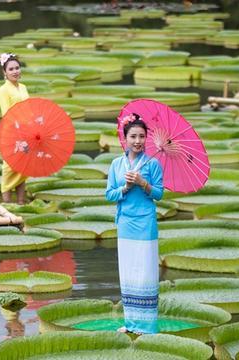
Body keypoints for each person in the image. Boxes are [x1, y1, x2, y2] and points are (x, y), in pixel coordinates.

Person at [105, 113, 164, 335]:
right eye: (133, 136)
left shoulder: (153, 164)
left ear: (146, 139)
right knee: (128, 272)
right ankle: (130, 323)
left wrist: (143, 183)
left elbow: (159, 194)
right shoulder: (116, 164)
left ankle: (147, 326)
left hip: (146, 223)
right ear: (125, 138)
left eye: (141, 136)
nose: (138, 141)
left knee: (146, 272)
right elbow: (109, 194)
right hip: (126, 223)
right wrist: (125, 188)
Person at [0, 52, 29, 204]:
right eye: (11, 69)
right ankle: (7, 204)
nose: (15, 71)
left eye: (17, 68)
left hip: (26, 131)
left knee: (23, 168)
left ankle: (21, 201)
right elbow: (7, 114)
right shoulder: (3, 90)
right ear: (5, 72)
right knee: (9, 168)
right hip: (11, 132)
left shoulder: (23, 87)